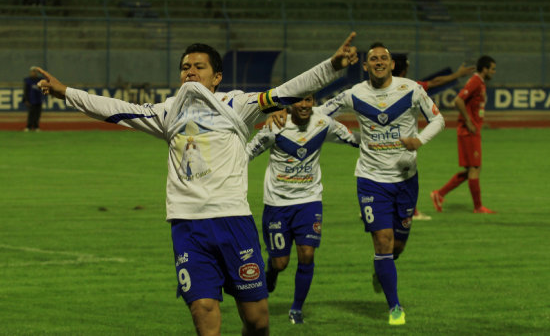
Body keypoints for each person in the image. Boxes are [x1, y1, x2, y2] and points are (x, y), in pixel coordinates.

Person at [36, 34, 358, 336]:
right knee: (204, 312)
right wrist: (66, 92)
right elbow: (116, 109)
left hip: (233, 221)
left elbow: (287, 90)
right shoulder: (168, 111)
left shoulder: (237, 105)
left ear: (216, 77)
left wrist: (332, 66)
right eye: (185, 67)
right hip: (188, 226)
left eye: (198, 66)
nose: (190, 71)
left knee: (257, 321)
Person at [317, 42, 445, 325]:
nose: (378, 62)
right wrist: (344, 134)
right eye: (372, 58)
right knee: (383, 242)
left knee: (397, 246)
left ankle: (382, 268)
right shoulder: (354, 94)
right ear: (365, 66)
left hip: (406, 180)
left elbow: (438, 119)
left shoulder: (411, 89)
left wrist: (419, 140)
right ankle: (395, 307)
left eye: (383, 58)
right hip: (371, 181)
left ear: (391, 64)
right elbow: (319, 113)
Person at [246, 95, 359, 325]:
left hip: (309, 200)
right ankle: (273, 271)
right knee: (281, 263)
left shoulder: (323, 123)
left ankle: (296, 309)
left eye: (308, 100)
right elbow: (247, 152)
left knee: (307, 254)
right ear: (289, 104)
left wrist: (381, 141)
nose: (305, 106)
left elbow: (352, 139)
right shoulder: (274, 127)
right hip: (277, 203)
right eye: (299, 101)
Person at [392, 53, 475, 220]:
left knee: (384, 172)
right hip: (405, 139)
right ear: (405, 68)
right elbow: (435, 83)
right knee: (407, 174)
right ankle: (412, 211)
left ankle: (375, 206)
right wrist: (457, 75)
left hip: (381, 137)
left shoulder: (377, 87)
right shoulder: (410, 87)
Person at [430, 55, 496, 214]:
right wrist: (469, 122)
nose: (494, 72)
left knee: (472, 170)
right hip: (468, 132)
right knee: (474, 168)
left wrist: (478, 121)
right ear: (485, 69)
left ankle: (439, 194)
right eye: (492, 69)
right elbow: (458, 100)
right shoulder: (475, 81)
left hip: (472, 130)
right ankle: (478, 207)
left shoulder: (480, 83)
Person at [23, 66, 44, 132]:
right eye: (33, 71)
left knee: (37, 114)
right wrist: (26, 100)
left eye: (35, 72)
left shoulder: (40, 80)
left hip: (39, 100)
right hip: (31, 100)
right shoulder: (28, 81)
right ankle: (28, 126)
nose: (34, 73)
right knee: (31, 114)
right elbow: (26, 91)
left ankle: (36, 126)